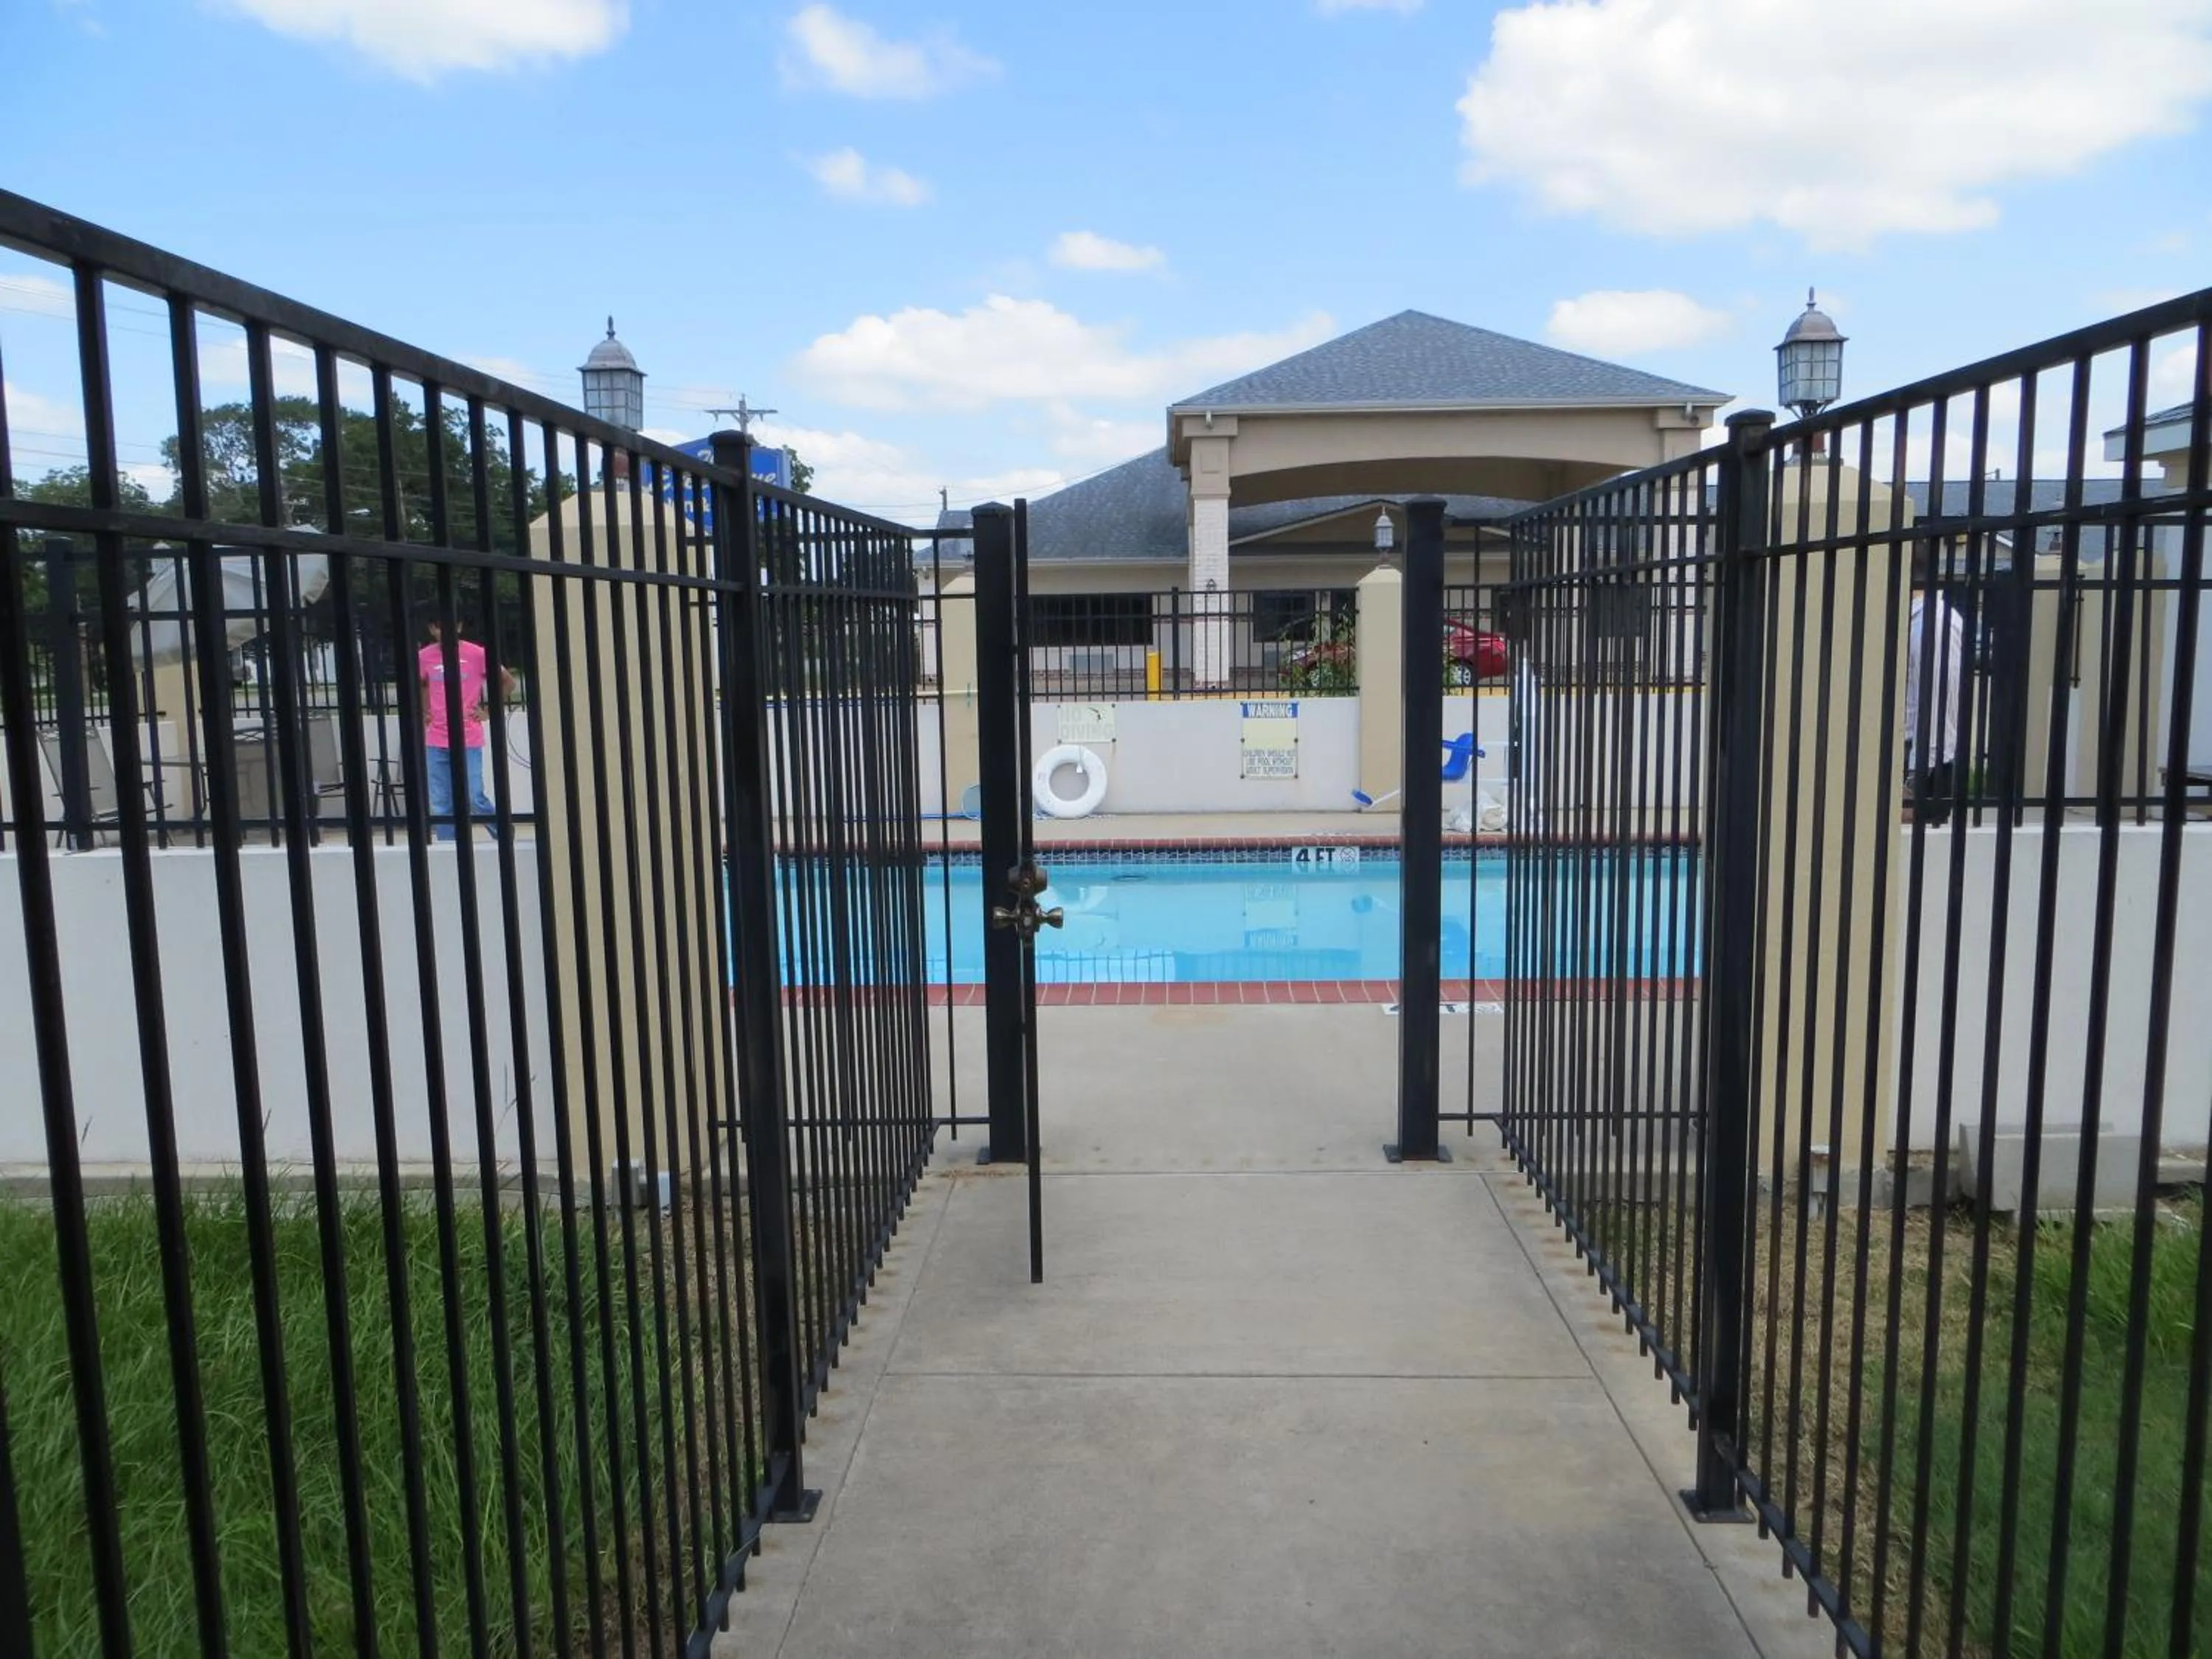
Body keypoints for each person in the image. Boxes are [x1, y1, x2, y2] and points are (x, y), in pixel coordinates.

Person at [419, 616, 517, 841]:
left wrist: (489, 711)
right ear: (432, 628)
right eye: (440, 626)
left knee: (474, 795)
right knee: (442, 802)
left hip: (468, 736)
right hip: (437, 738)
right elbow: (422, 684)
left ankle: (503, 834)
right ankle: (448, 848)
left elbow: (508, 682)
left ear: (460, 627)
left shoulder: (477, 654)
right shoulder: (424, 656)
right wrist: (426, 711)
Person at [1904, 545, 1968, 828]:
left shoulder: (1935, 623)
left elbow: (1939, 703)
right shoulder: (1913, 620)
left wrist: (1918, 780)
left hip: (1923, 765)